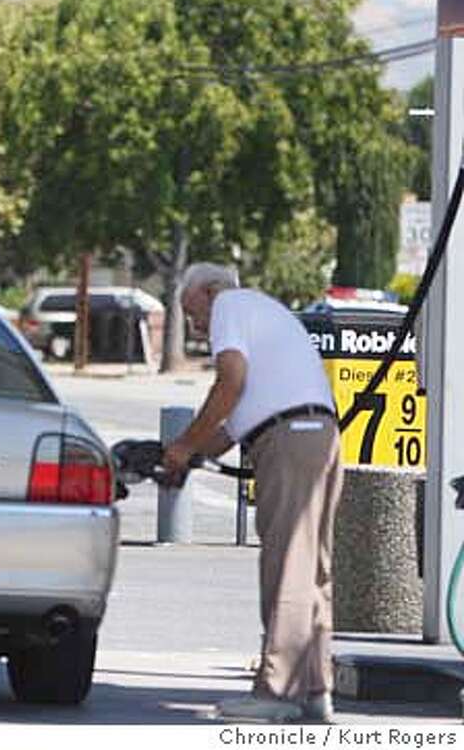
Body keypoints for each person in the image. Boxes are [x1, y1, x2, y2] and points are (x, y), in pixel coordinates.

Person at [161, 263, 341, 724]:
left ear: (207, 290)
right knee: (312, 567)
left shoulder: (230, 305)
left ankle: (276, 691)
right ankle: (315, 688)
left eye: (191, 311)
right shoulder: (262, 311)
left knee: (287, 564)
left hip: (290, 438)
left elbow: (231, 382)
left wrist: (182, 446)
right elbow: (236, 419)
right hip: (316, 433)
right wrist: (191, 453)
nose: (196, 326)